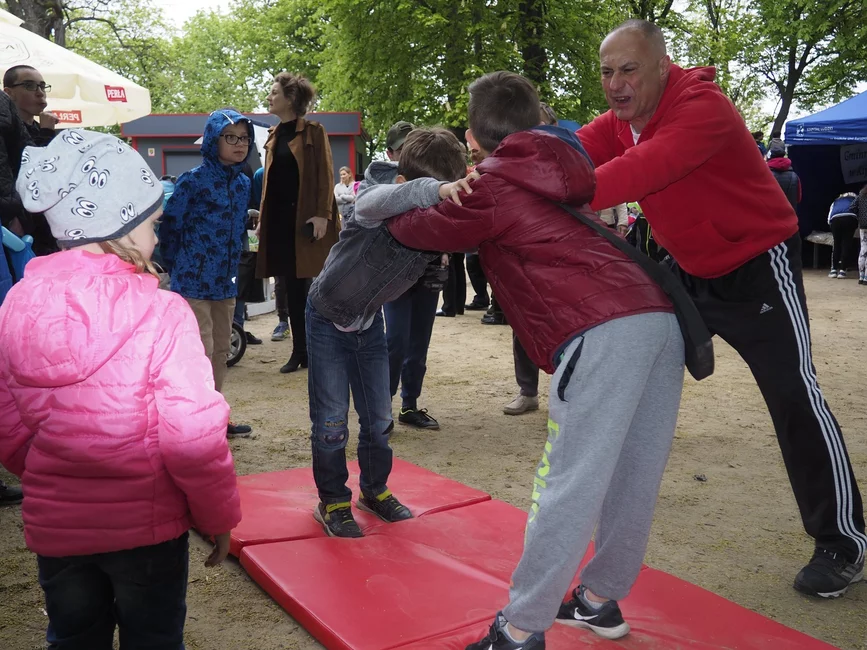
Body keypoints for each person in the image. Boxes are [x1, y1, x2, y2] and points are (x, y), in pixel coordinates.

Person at [371, 71, 684, 648]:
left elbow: (415, 229)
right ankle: (598, 600)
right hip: (657, 321)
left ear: (473, 136)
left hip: (603, 329)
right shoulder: (562, 167)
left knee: (568, 481)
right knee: (632, 473)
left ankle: (520, 628)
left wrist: (400, 195)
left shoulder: (492, 185)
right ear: (538, 123)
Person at [576, 18, 866, 598]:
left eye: (629, 69)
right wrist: (507, 169)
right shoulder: (621, 122)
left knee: (794, 397)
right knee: (623, 374)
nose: (616, 83)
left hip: (760, 267)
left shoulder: (701, 108)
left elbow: (641, 172)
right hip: (688, 270)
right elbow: (569, 151)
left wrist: (557, 189)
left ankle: (843, 541)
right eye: (607, 72)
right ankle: (595, 529)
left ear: (662, 67)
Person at [0, 129, 241, 648]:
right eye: (153, 224)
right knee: (152, 638)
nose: (157, 236)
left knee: (72, 637)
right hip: (146, 531)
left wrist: (46, 468)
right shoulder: (163, 311)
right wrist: (217, 514)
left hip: (58, 530)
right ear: (124, 228)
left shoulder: (16, 304)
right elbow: (193, 433)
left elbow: (7, 415)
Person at [306, 127, 470, 537]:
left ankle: (374, 490)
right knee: (330, 423)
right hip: (327, 319)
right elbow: (385, 198)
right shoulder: (372, 200)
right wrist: (438, 189)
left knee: (378, 419)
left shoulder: (430, 227)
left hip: (368, 326)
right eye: (429, 191)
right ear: (406, 182)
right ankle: (333, 500)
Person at [160, 109, 254, 438]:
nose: (239, 144)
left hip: (225, 281)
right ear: (214, 140)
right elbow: (171, 226)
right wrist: (177, 266)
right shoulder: (192, 180)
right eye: (231, 137)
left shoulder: (243, 184)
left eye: (244, 138)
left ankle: (215, 413)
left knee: (219, 350)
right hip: (193, 281)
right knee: (196, 350)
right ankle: (193, 415)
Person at [256, 72, 340, 373]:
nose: (269, 97)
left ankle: (318, 350)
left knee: (311, 287)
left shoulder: (313, 132)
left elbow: (325, 174)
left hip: (306, 220)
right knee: (290, 286)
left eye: (274, 92)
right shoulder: (274, 135)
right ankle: (300, 351)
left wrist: (322, 215)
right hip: (280, 222)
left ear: (291, 98)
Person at [380, 121, 447, 430]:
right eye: (402, 150)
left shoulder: (436, 183)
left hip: (428, 269)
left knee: (420, 339)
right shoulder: (383, 186)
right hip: (395, 273)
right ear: (391, 153)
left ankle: (409, 405)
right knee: (395, 339)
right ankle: (382, 407)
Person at [827, 192, 858, 279]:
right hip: (850, 218)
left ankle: (833, 270)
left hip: (835, 219)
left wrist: (831, 225)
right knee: (846, 244)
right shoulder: (855, 200)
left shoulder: (836, 201)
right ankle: (842, 271)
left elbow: (830, 215)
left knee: (836, 244)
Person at [767, 141, 801, 211]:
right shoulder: (794, 176)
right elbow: (798, 198)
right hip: (789, 215)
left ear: (770, 157)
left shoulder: (765, 175)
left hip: (769, 215)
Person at [853, 185, 867, 285]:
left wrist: (859, 217)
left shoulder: (860, 195)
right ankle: (866, 277)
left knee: (863, 250)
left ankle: (861, 276)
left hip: (862, 226)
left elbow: (852, 207)